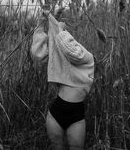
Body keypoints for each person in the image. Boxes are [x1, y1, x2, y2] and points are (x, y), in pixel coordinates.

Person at [31, 10, 94, 150]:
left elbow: (72, 51)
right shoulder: (61, 63)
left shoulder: (87, 58)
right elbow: (38, 54)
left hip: (76, 115)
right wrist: (40, 25)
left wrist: (60, 30)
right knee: (56, 147)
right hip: (56, 112)